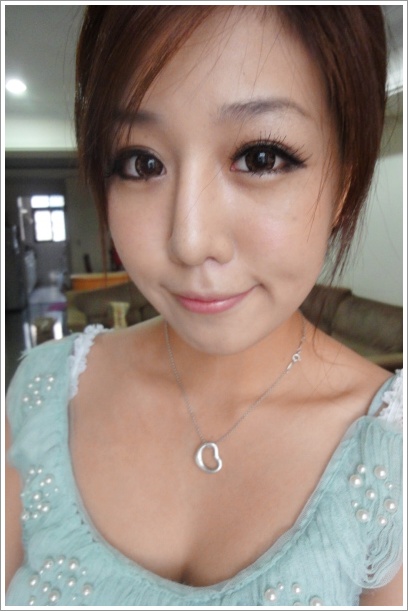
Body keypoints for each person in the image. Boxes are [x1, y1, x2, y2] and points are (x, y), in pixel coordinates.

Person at [5, 5, 403, 607]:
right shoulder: (42, 394)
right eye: (141, 163)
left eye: (260, 157)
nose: (189, 242)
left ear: (344, 183)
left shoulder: (391, 455)